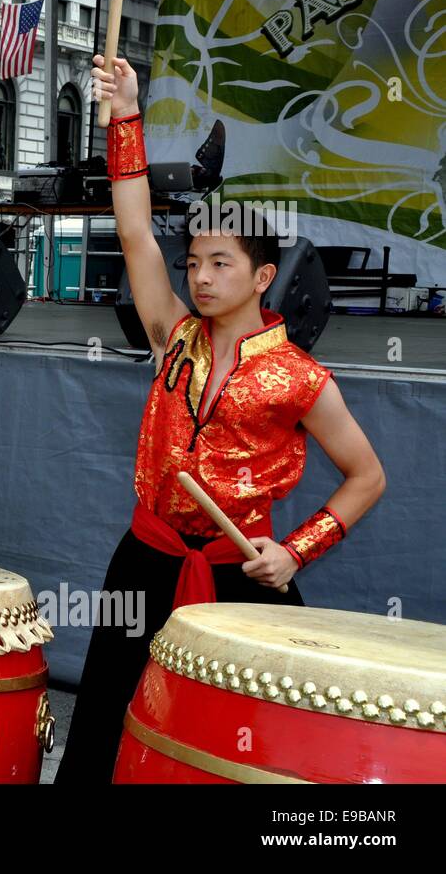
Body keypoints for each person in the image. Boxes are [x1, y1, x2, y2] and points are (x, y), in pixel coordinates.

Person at [53, 54, 388, 784]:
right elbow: (137, 232)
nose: (200, 277)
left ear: (263, 277)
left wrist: (295, 552)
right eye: (196, 262)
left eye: (220, 264)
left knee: (238, 740)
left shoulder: (299, 377)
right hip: (144, 558)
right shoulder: (171, 333)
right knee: (106, 712)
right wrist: (127, 118)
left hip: (241, 572)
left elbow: (367, 476)